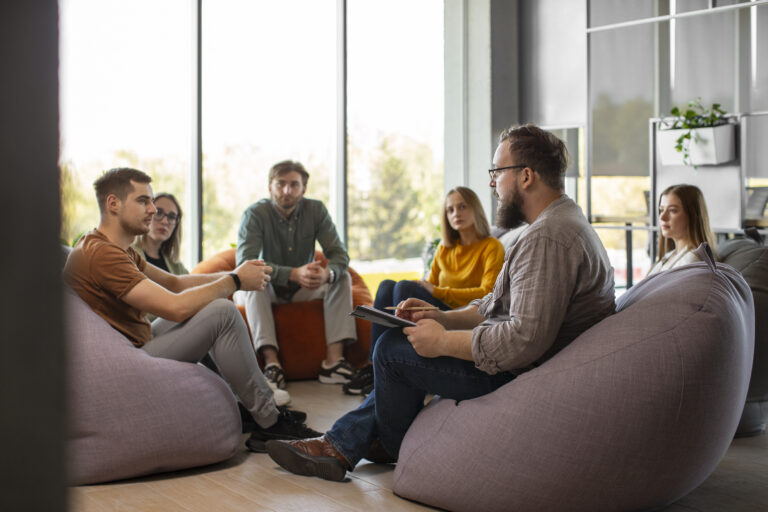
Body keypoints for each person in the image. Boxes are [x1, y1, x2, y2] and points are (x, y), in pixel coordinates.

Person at [264, 124, 616, 482]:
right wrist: (442, 318)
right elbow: (497, 303)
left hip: (519, 373)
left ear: (526, 176)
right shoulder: (553, 225)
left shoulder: (549, 238)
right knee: (398, 330)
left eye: (497, 172)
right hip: (518, 360)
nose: (492, 183)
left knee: (391, 352)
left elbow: (523, 341)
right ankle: (343, 443)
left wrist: (442, 343)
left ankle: (389, 444)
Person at [64, 167, 320, 453]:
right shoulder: (103, 254)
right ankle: (270, 423)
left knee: (216, 304)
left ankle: (258, 409)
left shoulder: (115, 248)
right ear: (113, 204)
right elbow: (175, 307)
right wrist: (234, 281)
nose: (152, 210)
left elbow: (176, 283)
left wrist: (235, 274)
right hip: (125, 363)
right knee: (222, 313)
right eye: (143, 201)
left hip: (136, 344)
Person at [344, 186, 505, 396]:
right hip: (438, 304)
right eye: (450, 210)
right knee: (387, 286)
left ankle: (399, 367)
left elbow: (488, 293)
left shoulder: (491, 246)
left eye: (462, 207)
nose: (456, 213)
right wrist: (427, 287)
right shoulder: (444, 248)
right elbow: (429, 284)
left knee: (404, 288)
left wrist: (438, 291)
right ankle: (374, 368)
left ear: (476, 209)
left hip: (461, 313)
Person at [235, 160, 358, 398]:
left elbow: (339, 255)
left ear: (304, 189)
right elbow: (246, 263)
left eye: (294, 185)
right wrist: (292, 273)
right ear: (270, 187)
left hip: (302, 289)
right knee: (254, 279)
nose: (287, 190)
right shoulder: (254, 214)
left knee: (341, 279)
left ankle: (334, 363)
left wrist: (326, 273)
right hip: (265, 289)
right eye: (280, 184)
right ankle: (272, 365)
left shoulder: (316, 210)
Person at [132, 193, 187, 323]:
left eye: (172, 217)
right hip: (145, 330)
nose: (165, 221)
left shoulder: (175, 265)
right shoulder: (129, 254)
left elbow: (194, 291)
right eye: (158, 213)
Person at [647, 184, 717, 275]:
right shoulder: (670, 256)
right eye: (661, 210)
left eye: (672, 210)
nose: (662, 217)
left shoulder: (692, 260)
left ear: (692, 215)